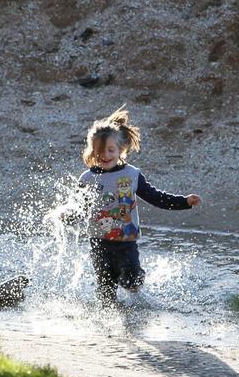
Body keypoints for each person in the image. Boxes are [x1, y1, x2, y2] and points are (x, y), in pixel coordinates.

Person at [74, 107, 201, 306]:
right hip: (99, 242)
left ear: (120, 150)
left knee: (132, 278)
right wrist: (67, 215)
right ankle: (108, 326)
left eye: (110, 150)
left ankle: (138, 301)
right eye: (99, 151)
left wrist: (183, 202)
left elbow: (155, 197)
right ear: (91, 151)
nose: (105, 155)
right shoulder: (87, 178)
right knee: (105, 289)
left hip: (126, 240)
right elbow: (79, 206)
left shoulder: (131, 175)